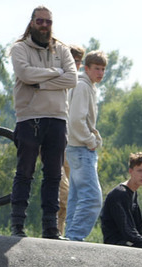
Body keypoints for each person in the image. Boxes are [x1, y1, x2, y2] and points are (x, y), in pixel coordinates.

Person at [8, 5, 76, 238]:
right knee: (25, 172)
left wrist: (42, 82)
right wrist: (56, 72)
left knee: (54, 175)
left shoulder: (62, 49)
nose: (44, 25)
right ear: (32, 22)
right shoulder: (19, 48)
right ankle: (18, 224)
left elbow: (72, 78)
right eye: (40, 21)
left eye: (48, 21)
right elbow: (25, 74)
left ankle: (50, 227)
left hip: (57, 118)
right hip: (29, 117)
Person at [63, 49, 104, 241]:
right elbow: (76, 120)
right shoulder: (82, 86)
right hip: (80, 148)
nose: (100, 73)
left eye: (103, 69)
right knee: (92, 198)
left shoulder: (85, 86)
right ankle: (75, 237)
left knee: (77, 196)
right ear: (86, 68)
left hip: (76, 148)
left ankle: (71, 236)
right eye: (96, 68)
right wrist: (90, 141)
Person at [100, 151, 142, 249]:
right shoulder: (120, 194)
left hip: (129, 241)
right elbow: (128, 231)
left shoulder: (133, 193)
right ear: (131, 171)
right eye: (140, 171)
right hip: (117, 244)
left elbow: (140, 229)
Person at [56, 43, 83, 236]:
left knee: (71, 195)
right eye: (73, 60)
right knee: (63, 192)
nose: (75, 64)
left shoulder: (79, 84)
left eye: (78, 61)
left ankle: (60, 232)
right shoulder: (60, 79)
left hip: (71, 145)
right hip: (55, 141)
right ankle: (52, 231)